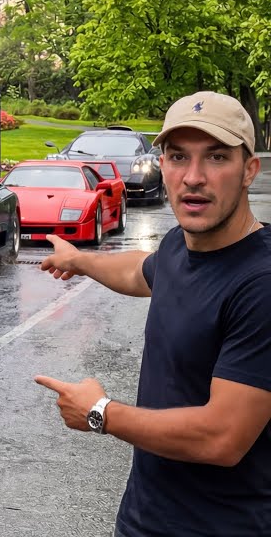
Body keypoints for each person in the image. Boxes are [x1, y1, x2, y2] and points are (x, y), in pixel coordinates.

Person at [34, 90, 271, 536]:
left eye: (216, 157)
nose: (193, 177)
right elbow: (142, 272)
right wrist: (79, 260)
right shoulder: (180, 245)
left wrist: (100, 411)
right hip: (144, 519)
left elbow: (223, 437)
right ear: (161, 165)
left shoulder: (260, 284)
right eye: (178, 156)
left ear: (249, 171)